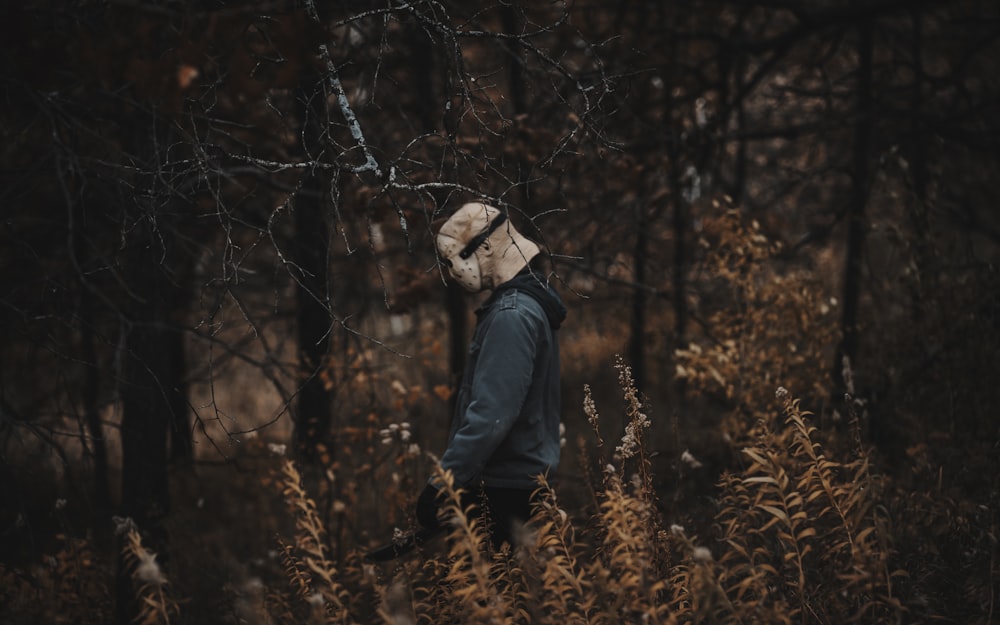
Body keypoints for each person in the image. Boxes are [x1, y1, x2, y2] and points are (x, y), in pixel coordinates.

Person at [416, 201, 567, 549]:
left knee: (491, 596)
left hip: (504, 489)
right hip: (516, 483)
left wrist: (444, 482)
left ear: (484, 247)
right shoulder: (523, 306)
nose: (452, 271)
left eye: (453, 258)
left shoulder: (511, 316)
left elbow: (492, 415)